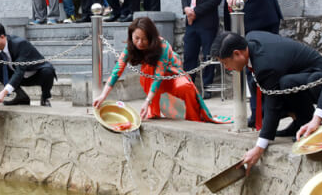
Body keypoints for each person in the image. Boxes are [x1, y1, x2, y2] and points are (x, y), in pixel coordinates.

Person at [213, 31, 322, 174]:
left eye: (225, 63)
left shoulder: (266, 65)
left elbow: (273, 106)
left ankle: (310, 122)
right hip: (298, 76)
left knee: (280, 91)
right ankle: (300, 123)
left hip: (318, 80)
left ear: (237, 54)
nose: (227, 68)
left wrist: (259, 148)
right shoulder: (251, 41)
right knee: (276, 87)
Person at [93, 17, 229, 123]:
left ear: (151, 38)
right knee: (147, 72)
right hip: (151, 77)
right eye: (136, 38)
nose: (140, 43)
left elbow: (158, 76)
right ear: (131, 37)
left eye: (144, 39)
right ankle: (154, 111)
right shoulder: (130, 47)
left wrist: (146, 101)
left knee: (185, 87)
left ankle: (194, 118)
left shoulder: (162, 46)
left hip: (171, 75)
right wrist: (103, 96)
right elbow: (117, 71)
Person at [0, 22, 56, 108]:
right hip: (15, 75)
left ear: (2, 37)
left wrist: (3, 93)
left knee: (48, 71)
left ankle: (45, 98)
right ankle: (21, 97)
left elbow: (20, 71)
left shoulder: (20, 44)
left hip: (34, 74)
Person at [181, 0, 223, 97]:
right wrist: (186, 9)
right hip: (190, 20)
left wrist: (195, 11)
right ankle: (188, 85)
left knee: (207, 54)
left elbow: (215, 0)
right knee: (189, 54)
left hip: (206, 21)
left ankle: (207, 87)